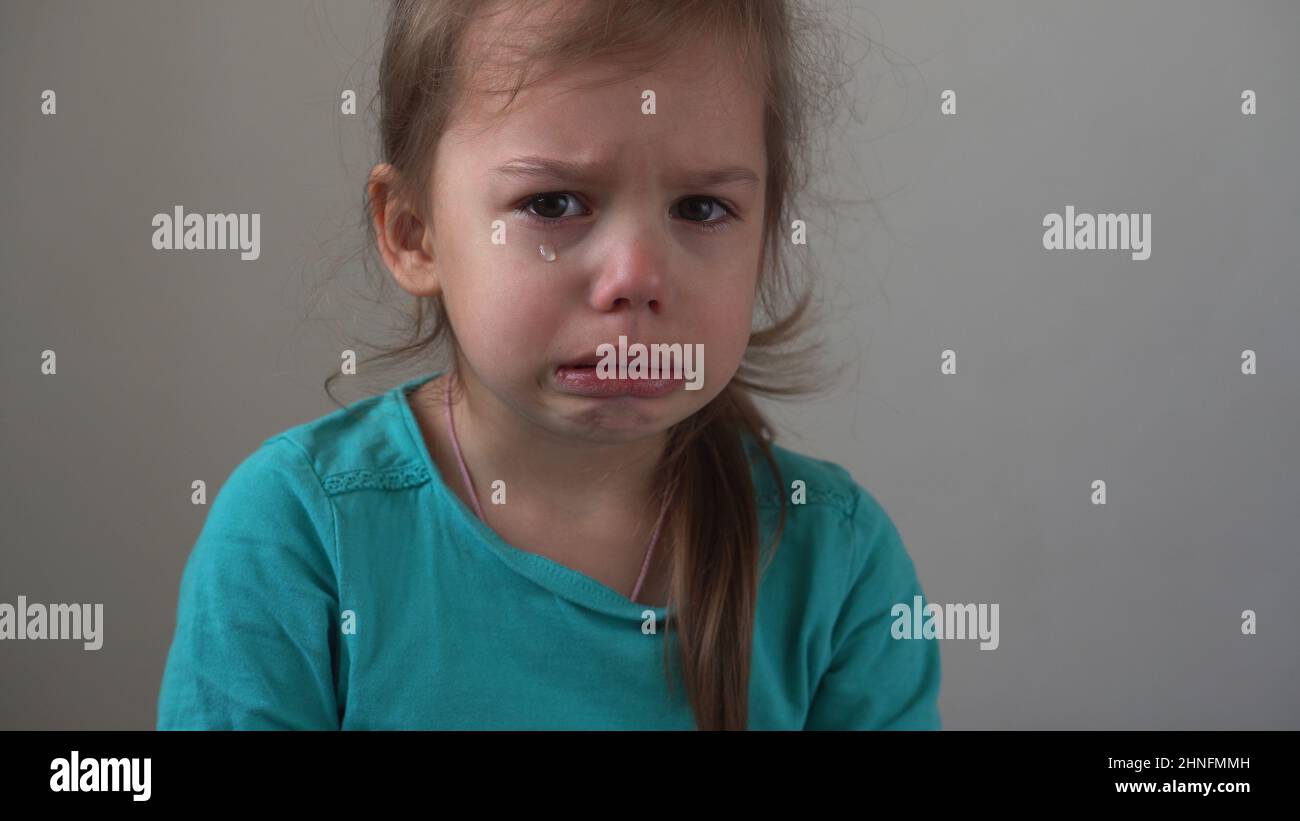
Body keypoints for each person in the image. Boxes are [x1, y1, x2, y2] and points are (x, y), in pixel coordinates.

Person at [157, 0, 941, 731]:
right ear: (414, 234)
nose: (637, 275)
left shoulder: (837, 566)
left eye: (701, 209)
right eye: (554, 204)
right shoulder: (298, 535)